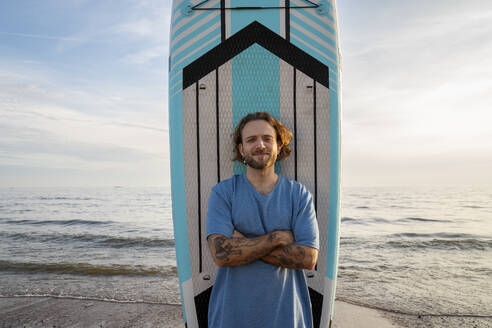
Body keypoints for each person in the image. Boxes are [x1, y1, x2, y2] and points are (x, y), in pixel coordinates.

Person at [206, 112, 319, 328]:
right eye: (251, 140)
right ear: (241, 149)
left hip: (286, 316)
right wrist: (278, 237)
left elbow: (307, 258)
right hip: (231, 316)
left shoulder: (298, 194)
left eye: (267, 139)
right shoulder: (223, 193)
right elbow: (221, 254)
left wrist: (243, 243)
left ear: (278, 145)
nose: (260, 145)